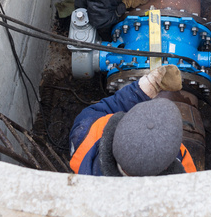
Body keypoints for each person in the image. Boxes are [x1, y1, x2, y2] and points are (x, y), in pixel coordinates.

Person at [69, 65, 197, 176]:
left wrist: (141, 91)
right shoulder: (184, 180)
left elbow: (91, 114)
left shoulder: (86, 137)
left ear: (118, 128)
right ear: (166, 166)